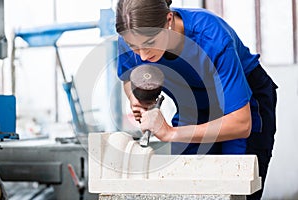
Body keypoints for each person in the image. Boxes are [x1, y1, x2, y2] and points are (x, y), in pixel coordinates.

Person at [115, 0, 278, 199]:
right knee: (188, 185)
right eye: (134, 47)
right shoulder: (131, 35)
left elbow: (241, 123)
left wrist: (171, 133)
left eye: (149, 43)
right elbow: (127, 76)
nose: (142, 55)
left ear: (168, 20)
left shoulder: (212, 36)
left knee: (235, 180)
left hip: (242, 103)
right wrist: (135, 97)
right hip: (192, 104)